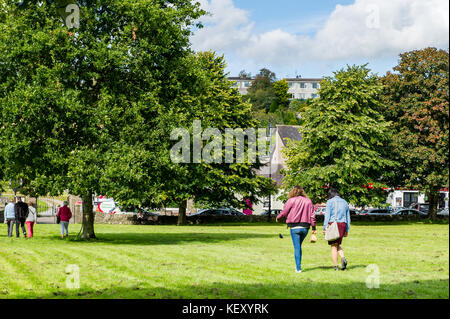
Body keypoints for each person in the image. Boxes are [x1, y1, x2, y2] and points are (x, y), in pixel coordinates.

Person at [276, 186, 316, 273]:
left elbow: (284, 212)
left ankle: (298, 268)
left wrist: (278, 218)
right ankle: (298, 266)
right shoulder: (308, 201)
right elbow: (312, 215)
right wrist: (314, 227)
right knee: (298, 246)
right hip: (305, 227)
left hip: (294, 227)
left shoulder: (291, 200)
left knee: (297, 247)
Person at [323, 188, 351, 271]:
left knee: (333, 246)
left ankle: (335, 267)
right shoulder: (345, 202)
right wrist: (347, 229)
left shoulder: (330, 202)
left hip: (333, 225)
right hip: (343, 224)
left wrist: (324, 227)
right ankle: (342, 257)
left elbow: (327, 216)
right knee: (337, 244)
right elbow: (348, 217)